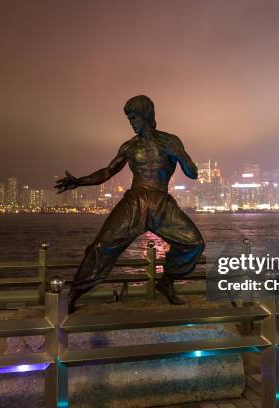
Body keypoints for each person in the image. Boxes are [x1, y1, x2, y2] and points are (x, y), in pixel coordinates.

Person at [55, 95, 205, 313]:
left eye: (134, 116)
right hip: (134, 202)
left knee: (194, 243)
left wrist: (178, 154)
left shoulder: (170, 141)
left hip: (161, 202)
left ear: (148, 114)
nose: (132, 122)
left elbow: (193, 174)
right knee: (100, 246)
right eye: (129, 118)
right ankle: (73, 295)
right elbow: (107, 172)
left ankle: (167, 281)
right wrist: (79, 182)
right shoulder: (129, 147)